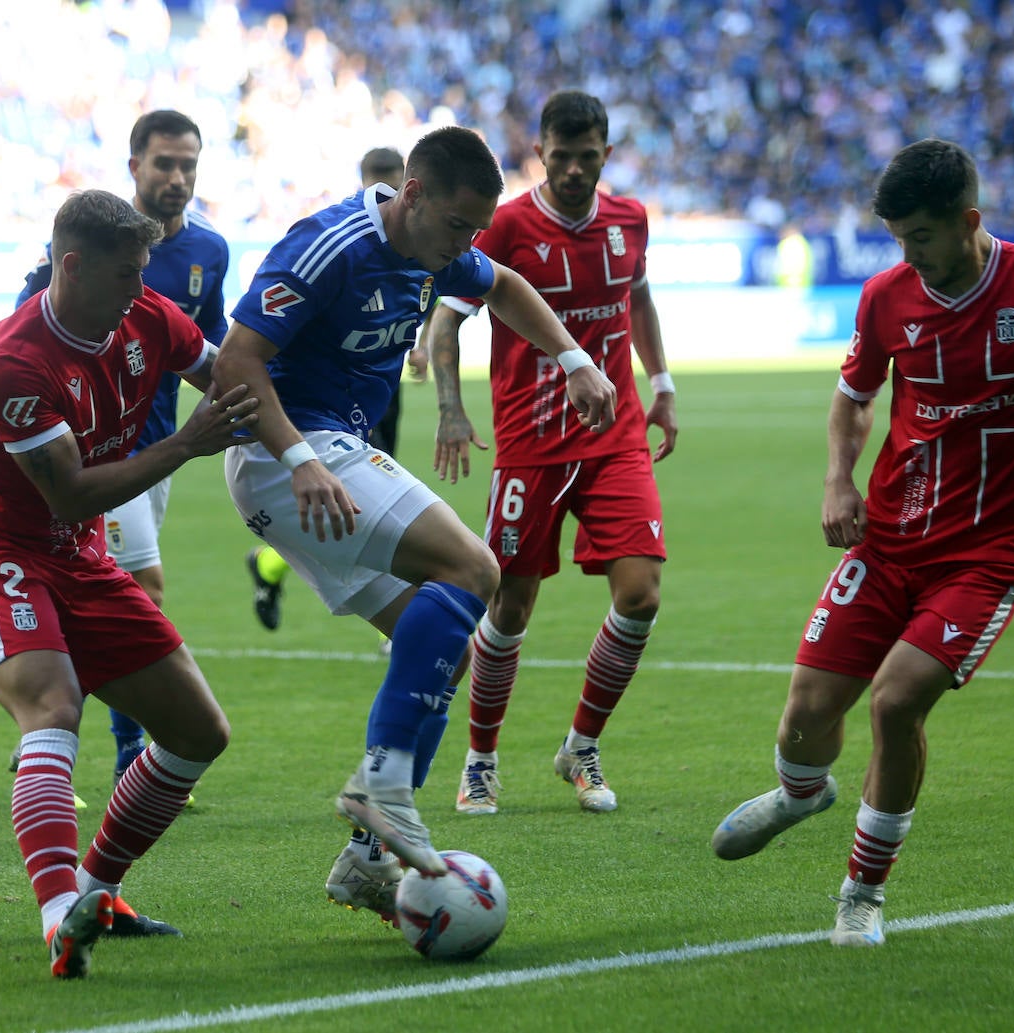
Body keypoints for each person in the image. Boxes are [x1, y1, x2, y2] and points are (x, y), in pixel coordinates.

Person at [709, 139, 1014, 947]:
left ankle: (862, 894)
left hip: (989, 557)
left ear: (969, 222)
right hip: (888, 539)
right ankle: (800, 792)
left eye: (920, 236)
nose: (907, 254)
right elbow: (853, 397)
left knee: (894, 699)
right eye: (896, 239)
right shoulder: (888, 297)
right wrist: (838, 480)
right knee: (805, 718)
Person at [212, 125, 616, 921]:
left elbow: (502, 286)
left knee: (442, 647)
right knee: (476, 571)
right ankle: (384, 784)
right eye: (457, 226)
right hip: (287, 454)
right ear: (414, 194)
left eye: (476, 231)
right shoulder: (330, 243)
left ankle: (365, 860)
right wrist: (301, 460)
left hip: (321, 458)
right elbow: (235, 360)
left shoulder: (439, 250)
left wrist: (575, 359)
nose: (464, 246)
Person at [0, 189, 259, 978]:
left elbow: (225, 373)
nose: (139, 289)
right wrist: (187, 443)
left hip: (81, 557)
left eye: (143, 271)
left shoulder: (146, 314)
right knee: (54, 703)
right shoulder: (13, 360)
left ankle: (97, 891)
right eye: (125, 274)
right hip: (2, 553)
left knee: (198, 733)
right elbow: (73, 492)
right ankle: (57, 917)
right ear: (71, 266)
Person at [425, 90, 678, 817]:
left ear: (606, 151)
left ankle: (582, 744)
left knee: (641, 594)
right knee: (509, 606)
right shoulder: (505, 226)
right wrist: (449, 407)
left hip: (615, 437)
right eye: (559, 155)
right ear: (540, 152)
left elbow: (638, 298)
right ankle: (479, 760)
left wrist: (660, 382)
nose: (572, 169)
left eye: (586, 155)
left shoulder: (630, 219)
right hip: (529, 444)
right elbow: (448, 320)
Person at [12, 110, 229, 804]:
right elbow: (34, 332)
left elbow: (214, 348)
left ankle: (44, 734)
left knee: (109, 590)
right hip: (107, 452)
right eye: (164, 163)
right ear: (134, 164)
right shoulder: (97, 242)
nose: (177, 177)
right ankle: (127, 752)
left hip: (157, 445)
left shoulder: (210, 251)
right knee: (145, 586)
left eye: (189, 164)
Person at [245, 146, 426, 638]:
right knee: (382, 513)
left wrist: (424, 342)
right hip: (318, 416)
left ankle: (269, 564)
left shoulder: (418, 247)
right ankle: (408, 625)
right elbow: (241, 353)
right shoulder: (338, 245)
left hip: (374, 397)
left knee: (371, 497)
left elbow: (437, 293)